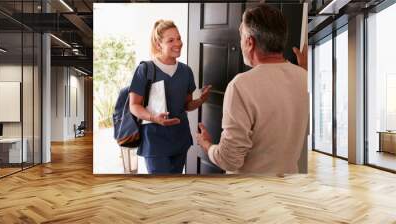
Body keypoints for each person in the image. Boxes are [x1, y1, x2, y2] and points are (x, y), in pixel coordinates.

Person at [196, 4, 309, 174]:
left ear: (249, 42)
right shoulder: (305, 78)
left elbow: (230, 160)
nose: (240, 43)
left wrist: (206, 145)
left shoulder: (241, 86)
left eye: (241, 36)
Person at [129, 20, 211, 174]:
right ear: (159, 44)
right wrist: (154, 118)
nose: (178, 43)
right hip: (155, 141)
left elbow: (187, 105)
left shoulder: (186, 71)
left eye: (179, 38)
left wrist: (200, 100)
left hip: (180, 138)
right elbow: (134, 106)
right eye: (171, 40)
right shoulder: (145, 69)